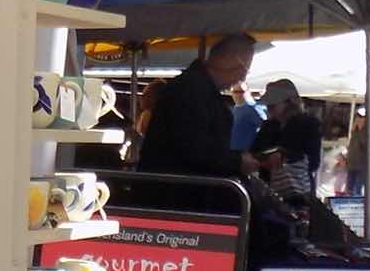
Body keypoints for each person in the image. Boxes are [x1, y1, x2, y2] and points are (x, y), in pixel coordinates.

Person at [136, 30, 256, 177]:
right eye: (244, 69)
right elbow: (191, 148)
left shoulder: (195, 88)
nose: (242, 77)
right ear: (227, 61)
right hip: (177, 191)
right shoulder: (191, 90)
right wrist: (237, 162)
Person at [246, 77, 322, 196]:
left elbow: (313, 162)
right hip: (269, 187)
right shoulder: (269, 125)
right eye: (268, 105)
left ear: (289, 103)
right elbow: (254, 150)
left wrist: (283, 158)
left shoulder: (309, 124)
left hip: (298, 189)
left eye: (273, 105)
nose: (269, 108)